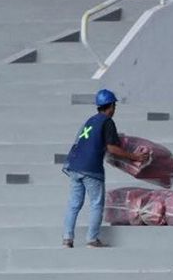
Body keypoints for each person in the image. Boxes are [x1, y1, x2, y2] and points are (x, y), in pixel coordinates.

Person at [62, 89, 148, 248]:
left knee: (74, 203)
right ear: (111, 106)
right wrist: (135, 157)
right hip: (90, 169)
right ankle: (92, 239)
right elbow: (112, 148)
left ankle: (67, 239)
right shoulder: (107, 122)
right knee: (96, 204)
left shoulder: (90, 120)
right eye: (114, 105)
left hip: (74, 166)